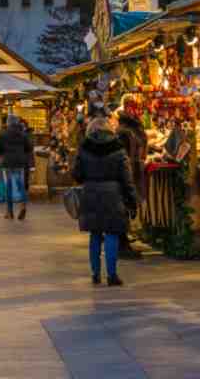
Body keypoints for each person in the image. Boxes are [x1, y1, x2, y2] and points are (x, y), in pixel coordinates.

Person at [72, 115, 138, 287]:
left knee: (94, 234)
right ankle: (112, 275)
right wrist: (132, 200)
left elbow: (76, 175)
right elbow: (127, 178)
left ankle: (95, 273)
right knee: (111, 234)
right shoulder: (118, 149)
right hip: (113, 195)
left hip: (91, 193)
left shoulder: (84, 148)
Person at [114, 106, 149, 260]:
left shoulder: (123, 132)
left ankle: (123, 242)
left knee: (125, 208)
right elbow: (126, 156)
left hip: (126, 173)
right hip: (126, 174)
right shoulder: (126, 134)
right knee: (124, 208)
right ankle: (122, 245)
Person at [0, 113, 34, 220]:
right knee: (21, 186)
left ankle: (9, 212)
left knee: (8, 188)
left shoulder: (3, 134)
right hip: (20, 163)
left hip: (7, 163)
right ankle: (23, 206)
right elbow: (29, 148)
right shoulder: (22, 134)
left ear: (8, 123)